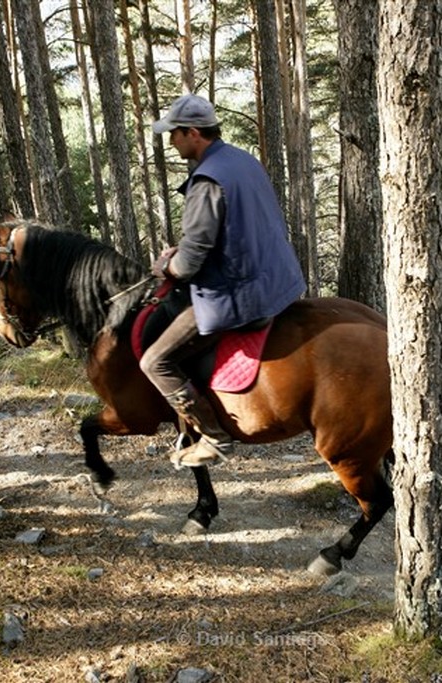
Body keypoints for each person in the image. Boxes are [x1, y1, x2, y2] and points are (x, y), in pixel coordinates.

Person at [141, 94, 306, 468]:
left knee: (155, 361)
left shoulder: (206, 181)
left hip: (240, 295)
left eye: (175, 134)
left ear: (194, 133)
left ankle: (214, 439)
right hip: (277, 281)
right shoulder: (242, 160)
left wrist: (164, 267)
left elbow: (187, 267)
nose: (171, 142)